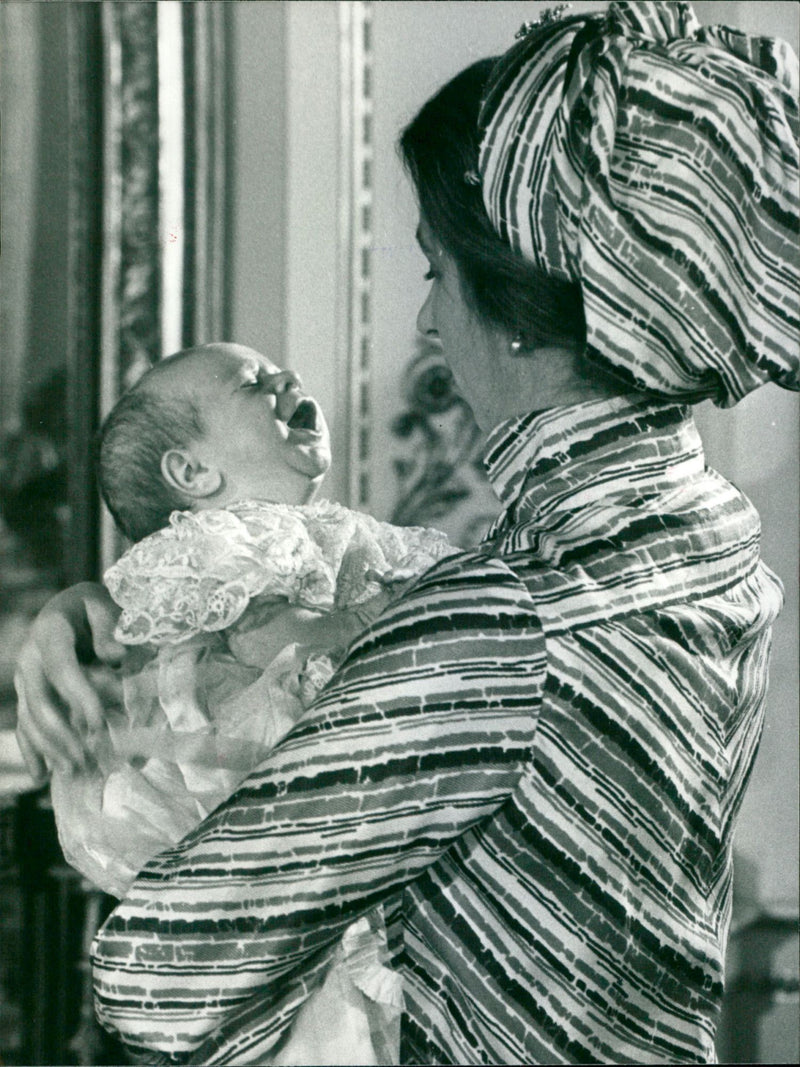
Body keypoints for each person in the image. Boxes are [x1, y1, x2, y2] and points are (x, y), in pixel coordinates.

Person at [15, 3, 799, 1064]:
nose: (428, 322)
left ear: (520, 304)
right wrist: (107, 599)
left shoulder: (500, 620)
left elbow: (154, 975)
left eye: (435, 268)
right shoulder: (710, 544)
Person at [51, 342, 456, 1064]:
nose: (286, 380)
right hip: (268, 811)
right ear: (192, 473)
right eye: (254, 386)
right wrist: (384, 623)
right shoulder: (217, 550)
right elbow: (266, 645)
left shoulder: (316, 540)